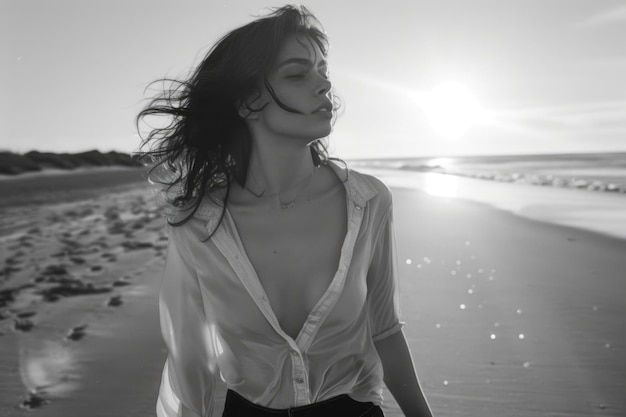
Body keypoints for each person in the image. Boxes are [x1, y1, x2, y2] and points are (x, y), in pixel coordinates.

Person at [137, 4, 434, 417]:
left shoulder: (368, 202)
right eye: (297, 74)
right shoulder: (200, 223)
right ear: (247, 102)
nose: (324, 85)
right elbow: (192, 358)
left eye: (323, 71)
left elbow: (384, 330)